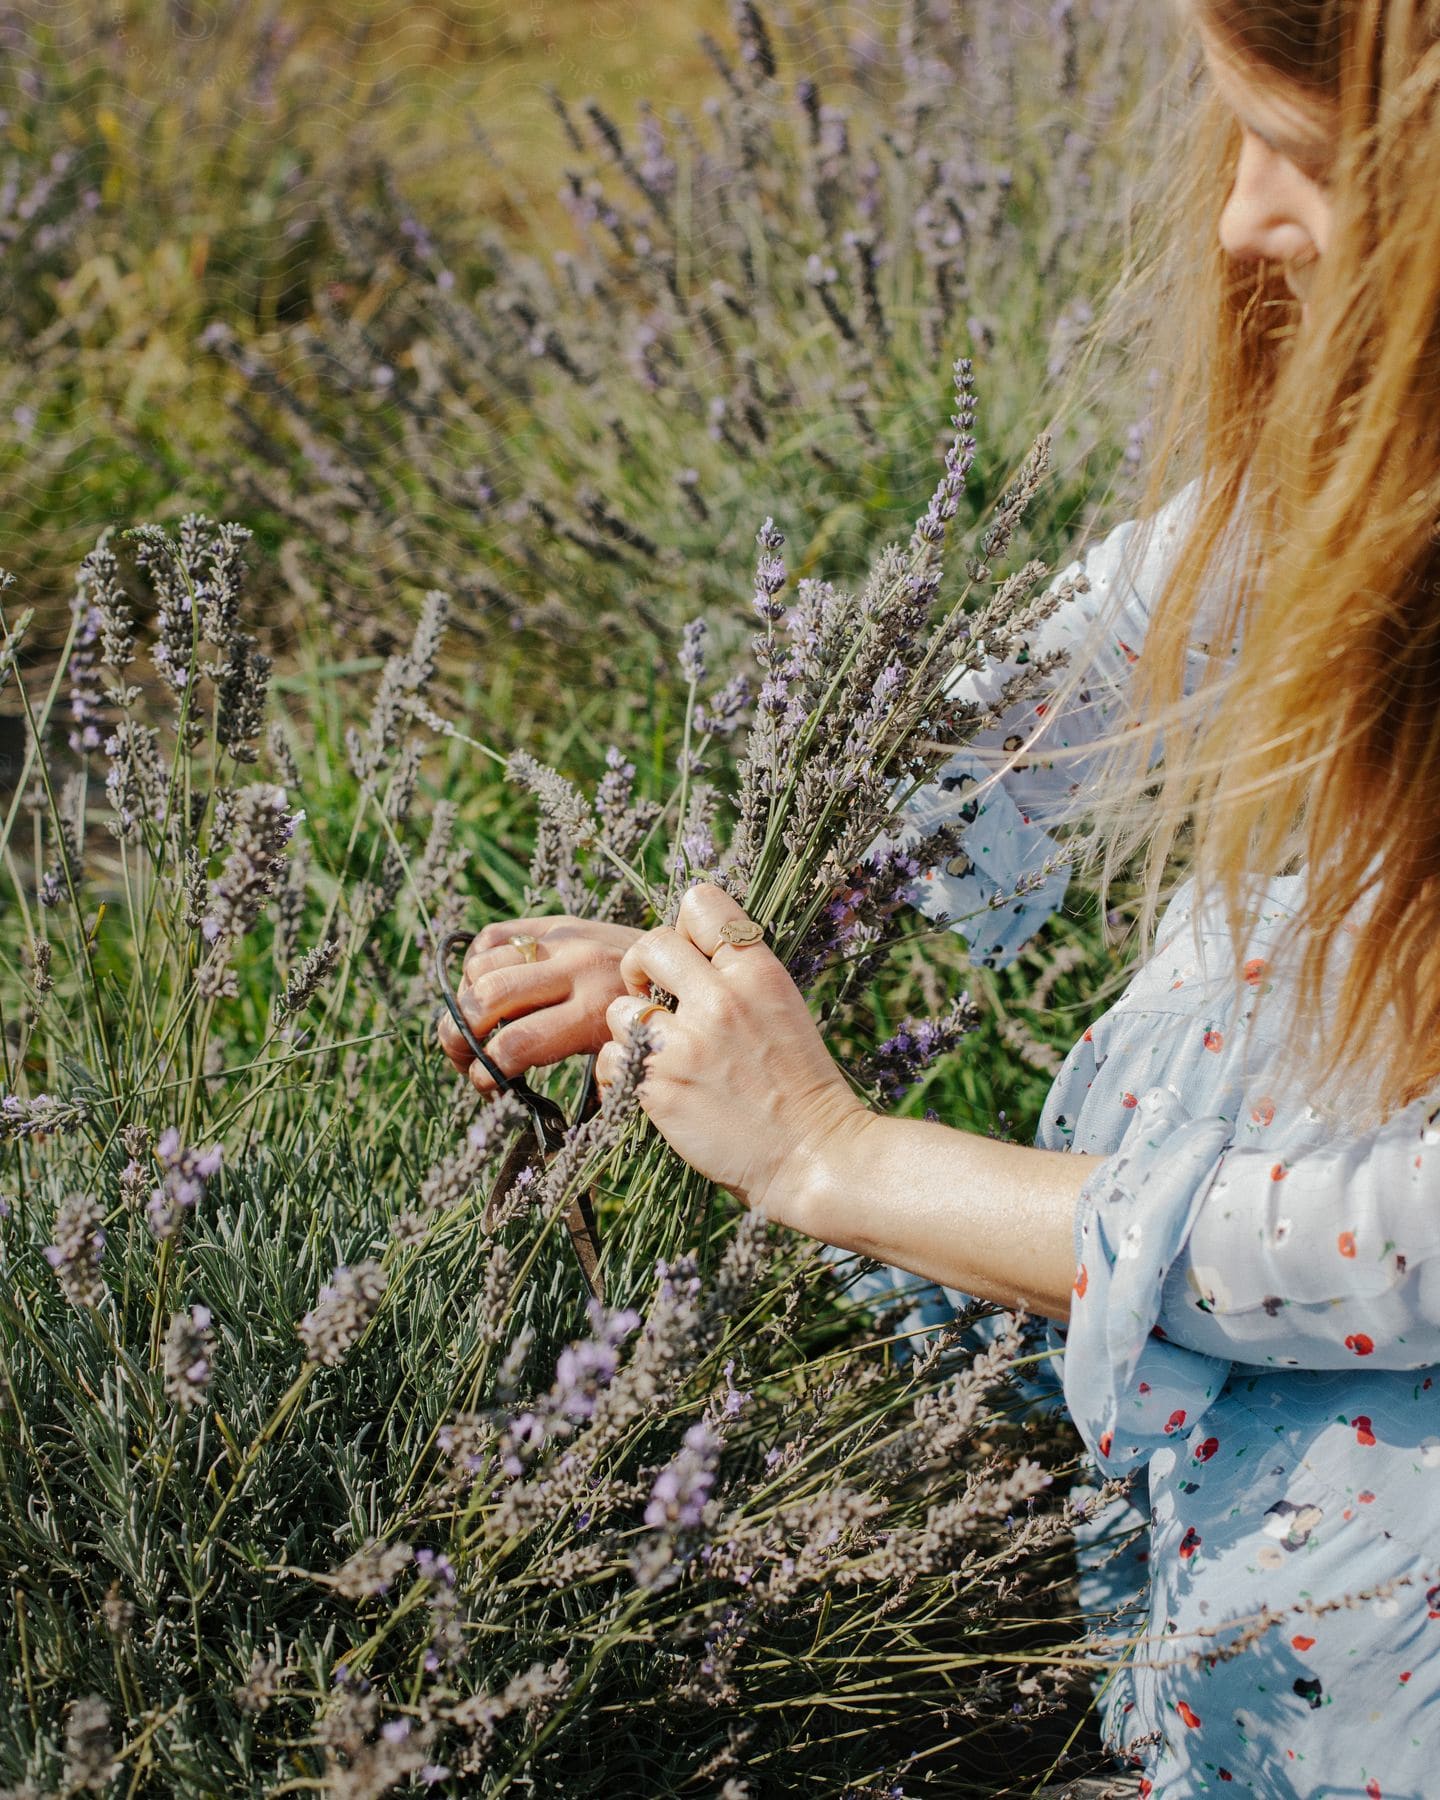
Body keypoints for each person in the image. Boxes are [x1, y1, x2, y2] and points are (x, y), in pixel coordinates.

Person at [439, 1, 1440, 1791]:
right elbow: (1046, 707)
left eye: (1309, 149)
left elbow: (1398, 1247)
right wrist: (723, 949)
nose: (1241, 216)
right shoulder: (1376, 467)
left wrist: (837, 1156)